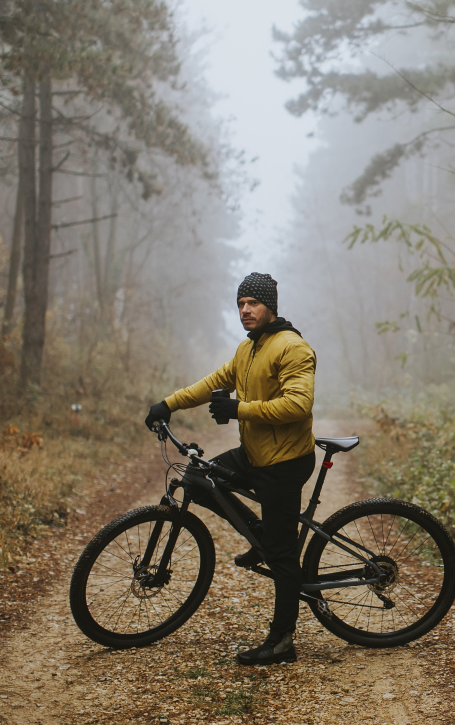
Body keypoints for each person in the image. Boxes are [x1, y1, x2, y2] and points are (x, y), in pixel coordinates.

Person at [145, 272, 316, 666]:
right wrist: (168, 404)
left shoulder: (292, 347)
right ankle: (261, 534)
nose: (245, 310)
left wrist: (239, 409)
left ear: (270, 305)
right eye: (240, 304)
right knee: (198, 479)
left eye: (252, 303)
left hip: (285, 463)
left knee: (283, 556)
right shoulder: (248, 349)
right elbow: (213, 382)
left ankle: (281, 642)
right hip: (253, 454)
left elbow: (298, 405)